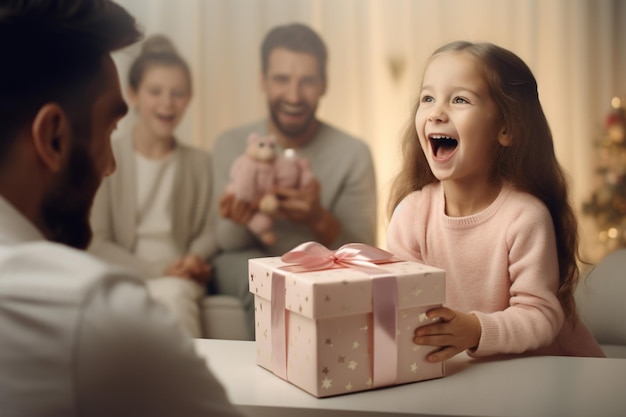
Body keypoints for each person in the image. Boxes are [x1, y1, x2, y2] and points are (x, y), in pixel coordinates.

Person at [0, 1, 244, 415]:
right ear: (54, 138)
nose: (110, 166)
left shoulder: (199, 163)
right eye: (110, 129)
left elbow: (213, 232)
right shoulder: (94, 313)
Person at [386, 40, 605, 362]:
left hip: (550, 373)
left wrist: (475, 329)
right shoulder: (411, 215)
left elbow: (541, 316)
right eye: (427, 98)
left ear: (505, 129)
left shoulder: (524, 217)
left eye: (459, 99)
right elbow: (401, 306)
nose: (436, 113)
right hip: (470, 375)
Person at [212, 23, 378, 339]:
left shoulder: (353, 153)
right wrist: (242, 217)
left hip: (320, 266)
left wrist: (319, 218)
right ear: (262, 81)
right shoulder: (232, 145)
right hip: (246, 260)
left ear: (324, 84)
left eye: (307, 81)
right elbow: (226, 244)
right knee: (267, 280)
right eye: (281, 79)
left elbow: (361, 249)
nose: (293, 95)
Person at [89, 34, 214, 338]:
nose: (167, 103)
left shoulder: (200, 162)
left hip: (179, 278)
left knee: (174, 295)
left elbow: (211, 231)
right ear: (133, 95)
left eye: (178, 93)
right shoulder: (108, 155)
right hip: (123, 272)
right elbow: (98, 241)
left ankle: (186, 385)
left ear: (190, 98)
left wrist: (192, 259)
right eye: (155, 91)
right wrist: (158, 270)